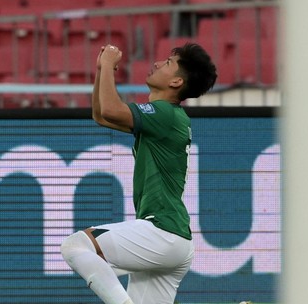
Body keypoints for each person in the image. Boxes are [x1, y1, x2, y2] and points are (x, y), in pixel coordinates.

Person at [60, 42, 217, 304]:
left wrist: (110, 65)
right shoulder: (165, 117)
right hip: (173, 241)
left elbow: (110, 110)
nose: (157, 63)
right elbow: (101, 116)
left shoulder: (166, 114)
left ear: (177, 81)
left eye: (168, 63)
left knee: (76, 246)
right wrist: (102, 70)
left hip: (162, 230)